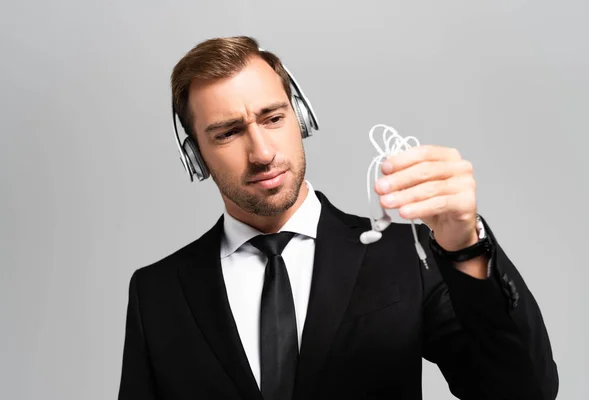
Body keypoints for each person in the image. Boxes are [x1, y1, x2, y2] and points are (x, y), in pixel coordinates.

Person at [117, 36, 559, 400]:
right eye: (228, 133)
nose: (263, 153)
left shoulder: (407, 254)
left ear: (301, 117)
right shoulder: (156, 293)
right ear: (196, 156)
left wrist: (465, 246)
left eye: (273, 117)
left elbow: (523, 391)